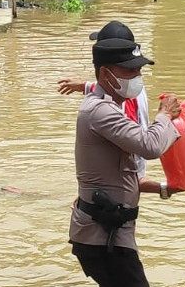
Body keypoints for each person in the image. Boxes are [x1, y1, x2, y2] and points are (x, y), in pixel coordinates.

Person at [71, 36, 181, 287]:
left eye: (139, 70)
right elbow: (150, 145)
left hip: (104, 232)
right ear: (106, 74)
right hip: (104, 238)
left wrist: (164, 188)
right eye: (129, 70)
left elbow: (121, 176)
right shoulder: (99, 111)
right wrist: (167, 117)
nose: (136, 77)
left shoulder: (111, 108)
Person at [58, 20, 167, 191]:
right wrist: (83, 86)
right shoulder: (125, 88)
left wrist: (165, 115)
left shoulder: (122, 97)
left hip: (129, 166)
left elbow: (146, 145)